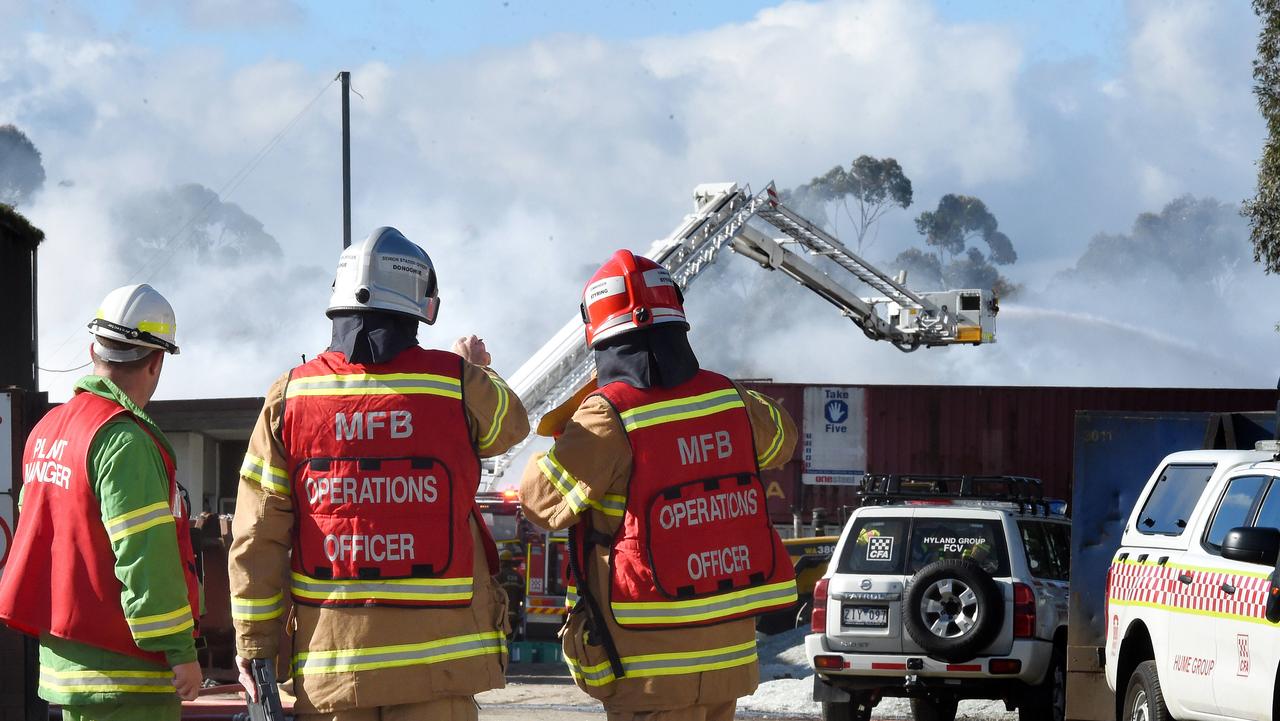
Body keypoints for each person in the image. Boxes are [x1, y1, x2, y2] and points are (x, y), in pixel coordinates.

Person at [228, 227, 529, 721]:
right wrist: (476, 368)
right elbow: (510, 426)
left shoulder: (290, 397)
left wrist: (255, 644)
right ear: (419, 304)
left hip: (332, 671)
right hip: (442, 667)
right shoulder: (455, 383)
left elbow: (255, 537)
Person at [520, 250, 799, 721]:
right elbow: (783, 440)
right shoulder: (730, 400)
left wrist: (574, 415)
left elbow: (542, 503)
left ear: (600, 336)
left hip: (648, 669)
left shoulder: (607, 414)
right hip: (728, 660)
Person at [0, 284, 202, 721]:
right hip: (128, 676)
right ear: (156, 361)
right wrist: (181, 651)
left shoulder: (47, 431)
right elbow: (145, 556)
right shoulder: (124, 440)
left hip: (64, 666)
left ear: (94, 348)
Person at [495, 550, 525, 639]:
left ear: (502, 562)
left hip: (501, 615)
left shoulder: (499, 576)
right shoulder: (518, 577)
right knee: (510, 638)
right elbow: (522, 595)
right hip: (514, 615)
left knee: (501, 638)